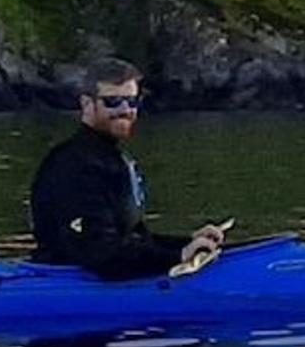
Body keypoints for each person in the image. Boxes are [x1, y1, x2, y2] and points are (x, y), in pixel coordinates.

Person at [28, 61, 228, 281]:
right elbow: (100, 252)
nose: (125, 110)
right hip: (67, 281)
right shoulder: (73, 166)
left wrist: (188, 242)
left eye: (132, 102)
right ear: (87, 104)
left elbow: (132, 238)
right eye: (112, 102)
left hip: (106, 266)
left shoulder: (112, 160)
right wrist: (178, 256)